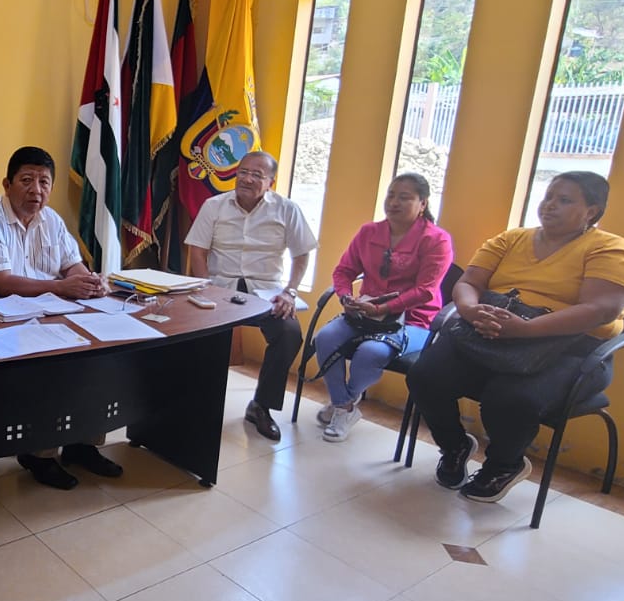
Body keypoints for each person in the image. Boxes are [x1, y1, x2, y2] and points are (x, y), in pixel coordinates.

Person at [406, 171, 624, 502]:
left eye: (564, 200)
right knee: (425, 375)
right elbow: (469, 282)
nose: (550, 205)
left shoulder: (613, 250)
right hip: (493, 334)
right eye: (548, 197)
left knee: (508, 398)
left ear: (591, 211)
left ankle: (504, 465)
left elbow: (600, 310)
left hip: (571, 351)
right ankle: (455, 446)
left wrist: (527, 329)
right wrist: (471, 310)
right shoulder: (511, 239)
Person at [0, 145, 125, 489]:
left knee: (96, 353)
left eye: (44, 182)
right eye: (26, 180)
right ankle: (39, 454)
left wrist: (88, 281)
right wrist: (62, 286)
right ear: (7, 184)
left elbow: (71, 263)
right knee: (52, 366)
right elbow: (3, 283)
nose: (36, 189)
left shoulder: (51, 220)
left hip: (50, 310)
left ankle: (82, 444)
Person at [184, 150, 317, 442]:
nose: (246, 179)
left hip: (266, 292)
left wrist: (290, 291)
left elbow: (302, 254)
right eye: (242, 172)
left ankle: (261, 406)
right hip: (220, 287)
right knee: (194, 332)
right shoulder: (214, 206)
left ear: (271, 182)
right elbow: (198, 251)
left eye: (257, 175)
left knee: (289, 333)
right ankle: (194, 401)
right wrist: (205, 286)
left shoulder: (287, 209)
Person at [312, 173, 454, 442]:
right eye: (391, 195)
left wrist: (384, 308)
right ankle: (344, 405)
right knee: (325, 338)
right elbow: (343, 271)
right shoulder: (369, 232)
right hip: (365, 314)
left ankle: (342, 403)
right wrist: (346, 297)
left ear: (422, 204)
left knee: (371, 352)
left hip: (413, 319)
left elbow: (425, 290)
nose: (394, 202)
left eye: (405, 197)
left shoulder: (437, 240)